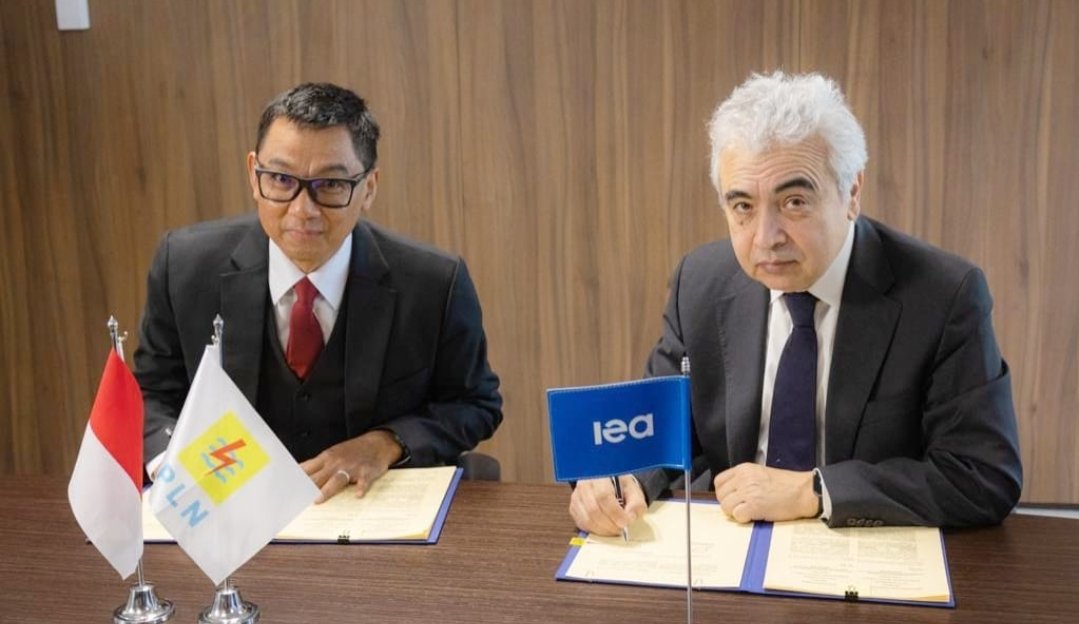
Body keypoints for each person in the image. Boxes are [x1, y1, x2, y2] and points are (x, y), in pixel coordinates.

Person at [569, 71, 1022, 534]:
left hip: (864, 545)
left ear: (852, 192)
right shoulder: (700, 283)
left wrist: (815, 490)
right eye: (743, 207)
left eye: (794, 202)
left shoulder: (943, 295)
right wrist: (619, 477)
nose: (766, 238)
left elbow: (982, 475)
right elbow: (659, 428)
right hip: (734, 540)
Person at [136, 82, 502, 502]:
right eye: (280, 179)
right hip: (230, 505)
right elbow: (152, 394)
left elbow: (475, 404)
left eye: (330, 184)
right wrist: (173, 467)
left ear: (369, 187)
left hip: (370, 506)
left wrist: (386, 443)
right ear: (254, 175)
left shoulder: (434, 283)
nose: (302, 209)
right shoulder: (183, 266)